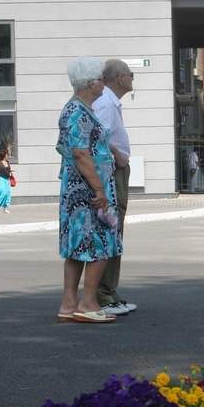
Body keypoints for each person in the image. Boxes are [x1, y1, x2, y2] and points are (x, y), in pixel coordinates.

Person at [56, 57, 122, 324]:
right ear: (90, 84)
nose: (103, 85)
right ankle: (89, 303)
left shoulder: (80, 109)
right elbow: (82, 154)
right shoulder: (78, 113)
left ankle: (69, 304)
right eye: (100, 81)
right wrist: (100, 190)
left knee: (77, 247)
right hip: (89, 190)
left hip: (78, 190)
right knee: (101, 243)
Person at [92, 58, 137, 317]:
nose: (132, 78)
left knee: (116, 228)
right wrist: (117, 154)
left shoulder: (110, 101)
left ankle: (110, 290)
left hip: (115, 168)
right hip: (112, 170)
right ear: (119, 77)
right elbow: (97, 134)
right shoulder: (107, 103)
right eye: (130, 74)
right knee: (113, 227)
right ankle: (104, 293)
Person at [0, 147, 13, 212]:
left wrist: (11, 174)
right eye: (7, 154)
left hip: (7, 179)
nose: (8, 155)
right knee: (2, 192)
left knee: (7, 193)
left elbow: (9, 170)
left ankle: (5, 208)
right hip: (1, 179)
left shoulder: (8, 162)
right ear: (4, 155)